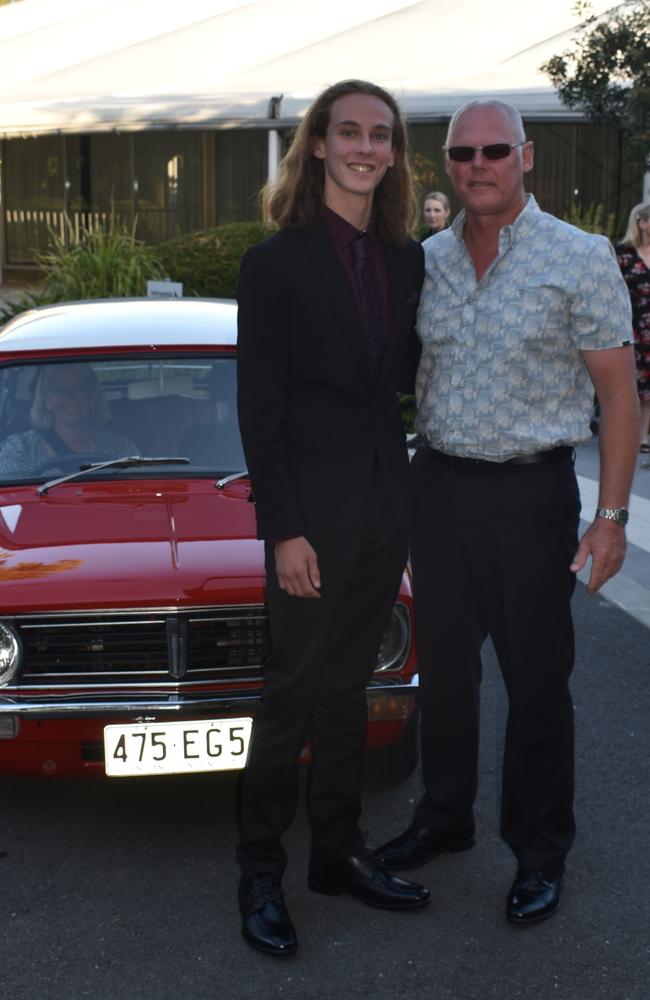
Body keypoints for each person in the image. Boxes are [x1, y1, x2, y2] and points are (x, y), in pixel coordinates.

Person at [375, 99, 638, 925]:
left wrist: (614, 517)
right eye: (462, 153)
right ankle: (445, 819)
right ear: (446, 165)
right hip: (441, 489)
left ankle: (538, 849)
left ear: (526, 156)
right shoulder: (427, 263)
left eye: (494, 150)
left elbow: (619, 397)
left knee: (536, 683)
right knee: (444, 675)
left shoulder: (581, 256)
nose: (477, 165)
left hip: (532, 494)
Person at [236, 79, 429, 957]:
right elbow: (259, 412)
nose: (363, 146)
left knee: (350, 694)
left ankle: (337, 852)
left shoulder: (405, 258)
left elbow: (402, 385)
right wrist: (284, 529)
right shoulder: (275, 263)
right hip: (309, 524)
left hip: (383, 512)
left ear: (392, 153)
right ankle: (261, 871)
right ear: (317, 144)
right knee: (291, 697)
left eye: (379, 135)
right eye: (347, 131)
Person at [0, 363, 138, 477]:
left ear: (91, 396)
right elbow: (10, 498)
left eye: (78, 388)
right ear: (46, 400)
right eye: (59, 390)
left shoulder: (120, 448)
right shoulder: (20, 449)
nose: (70, 397)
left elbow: (136, 490)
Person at [616, 203, 650, 462]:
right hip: (631, 329)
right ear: (641, 222)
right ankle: (624, 435)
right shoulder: (624, 255)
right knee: (630, 386)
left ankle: (642, 438)